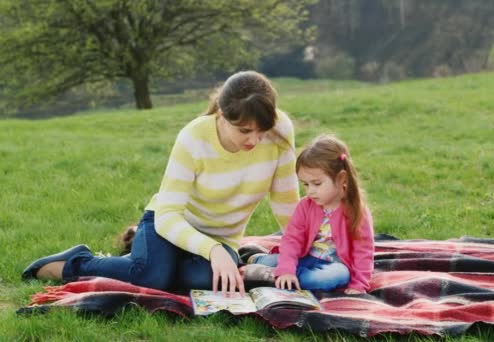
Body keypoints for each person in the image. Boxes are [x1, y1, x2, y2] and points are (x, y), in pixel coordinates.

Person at [22, 71, 300, 295]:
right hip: (169, 226)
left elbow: (285, 202)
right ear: (222, 116)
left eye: (261, 131)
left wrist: (301, 249)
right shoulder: (193, 137)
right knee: (152, 276)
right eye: (244, 131)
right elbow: (167, 217)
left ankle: (149, 256)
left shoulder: (280, 131)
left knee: (206, 281)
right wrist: (213, 251)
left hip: (220, 235)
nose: (254, 140)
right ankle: (73, 262)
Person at [248, 135, 374, 294]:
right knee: (279, 260)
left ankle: (273, 277)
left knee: (335, 276)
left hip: (333, 265)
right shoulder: (305, 205)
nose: (310, 191)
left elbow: (364, 251)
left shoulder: (356, 210)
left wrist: (359, 284)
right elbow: (292, 239)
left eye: (317, 184)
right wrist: (287, 270)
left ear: (342, 178)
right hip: (304, 257)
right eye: (306, 184)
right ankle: (259, 260)